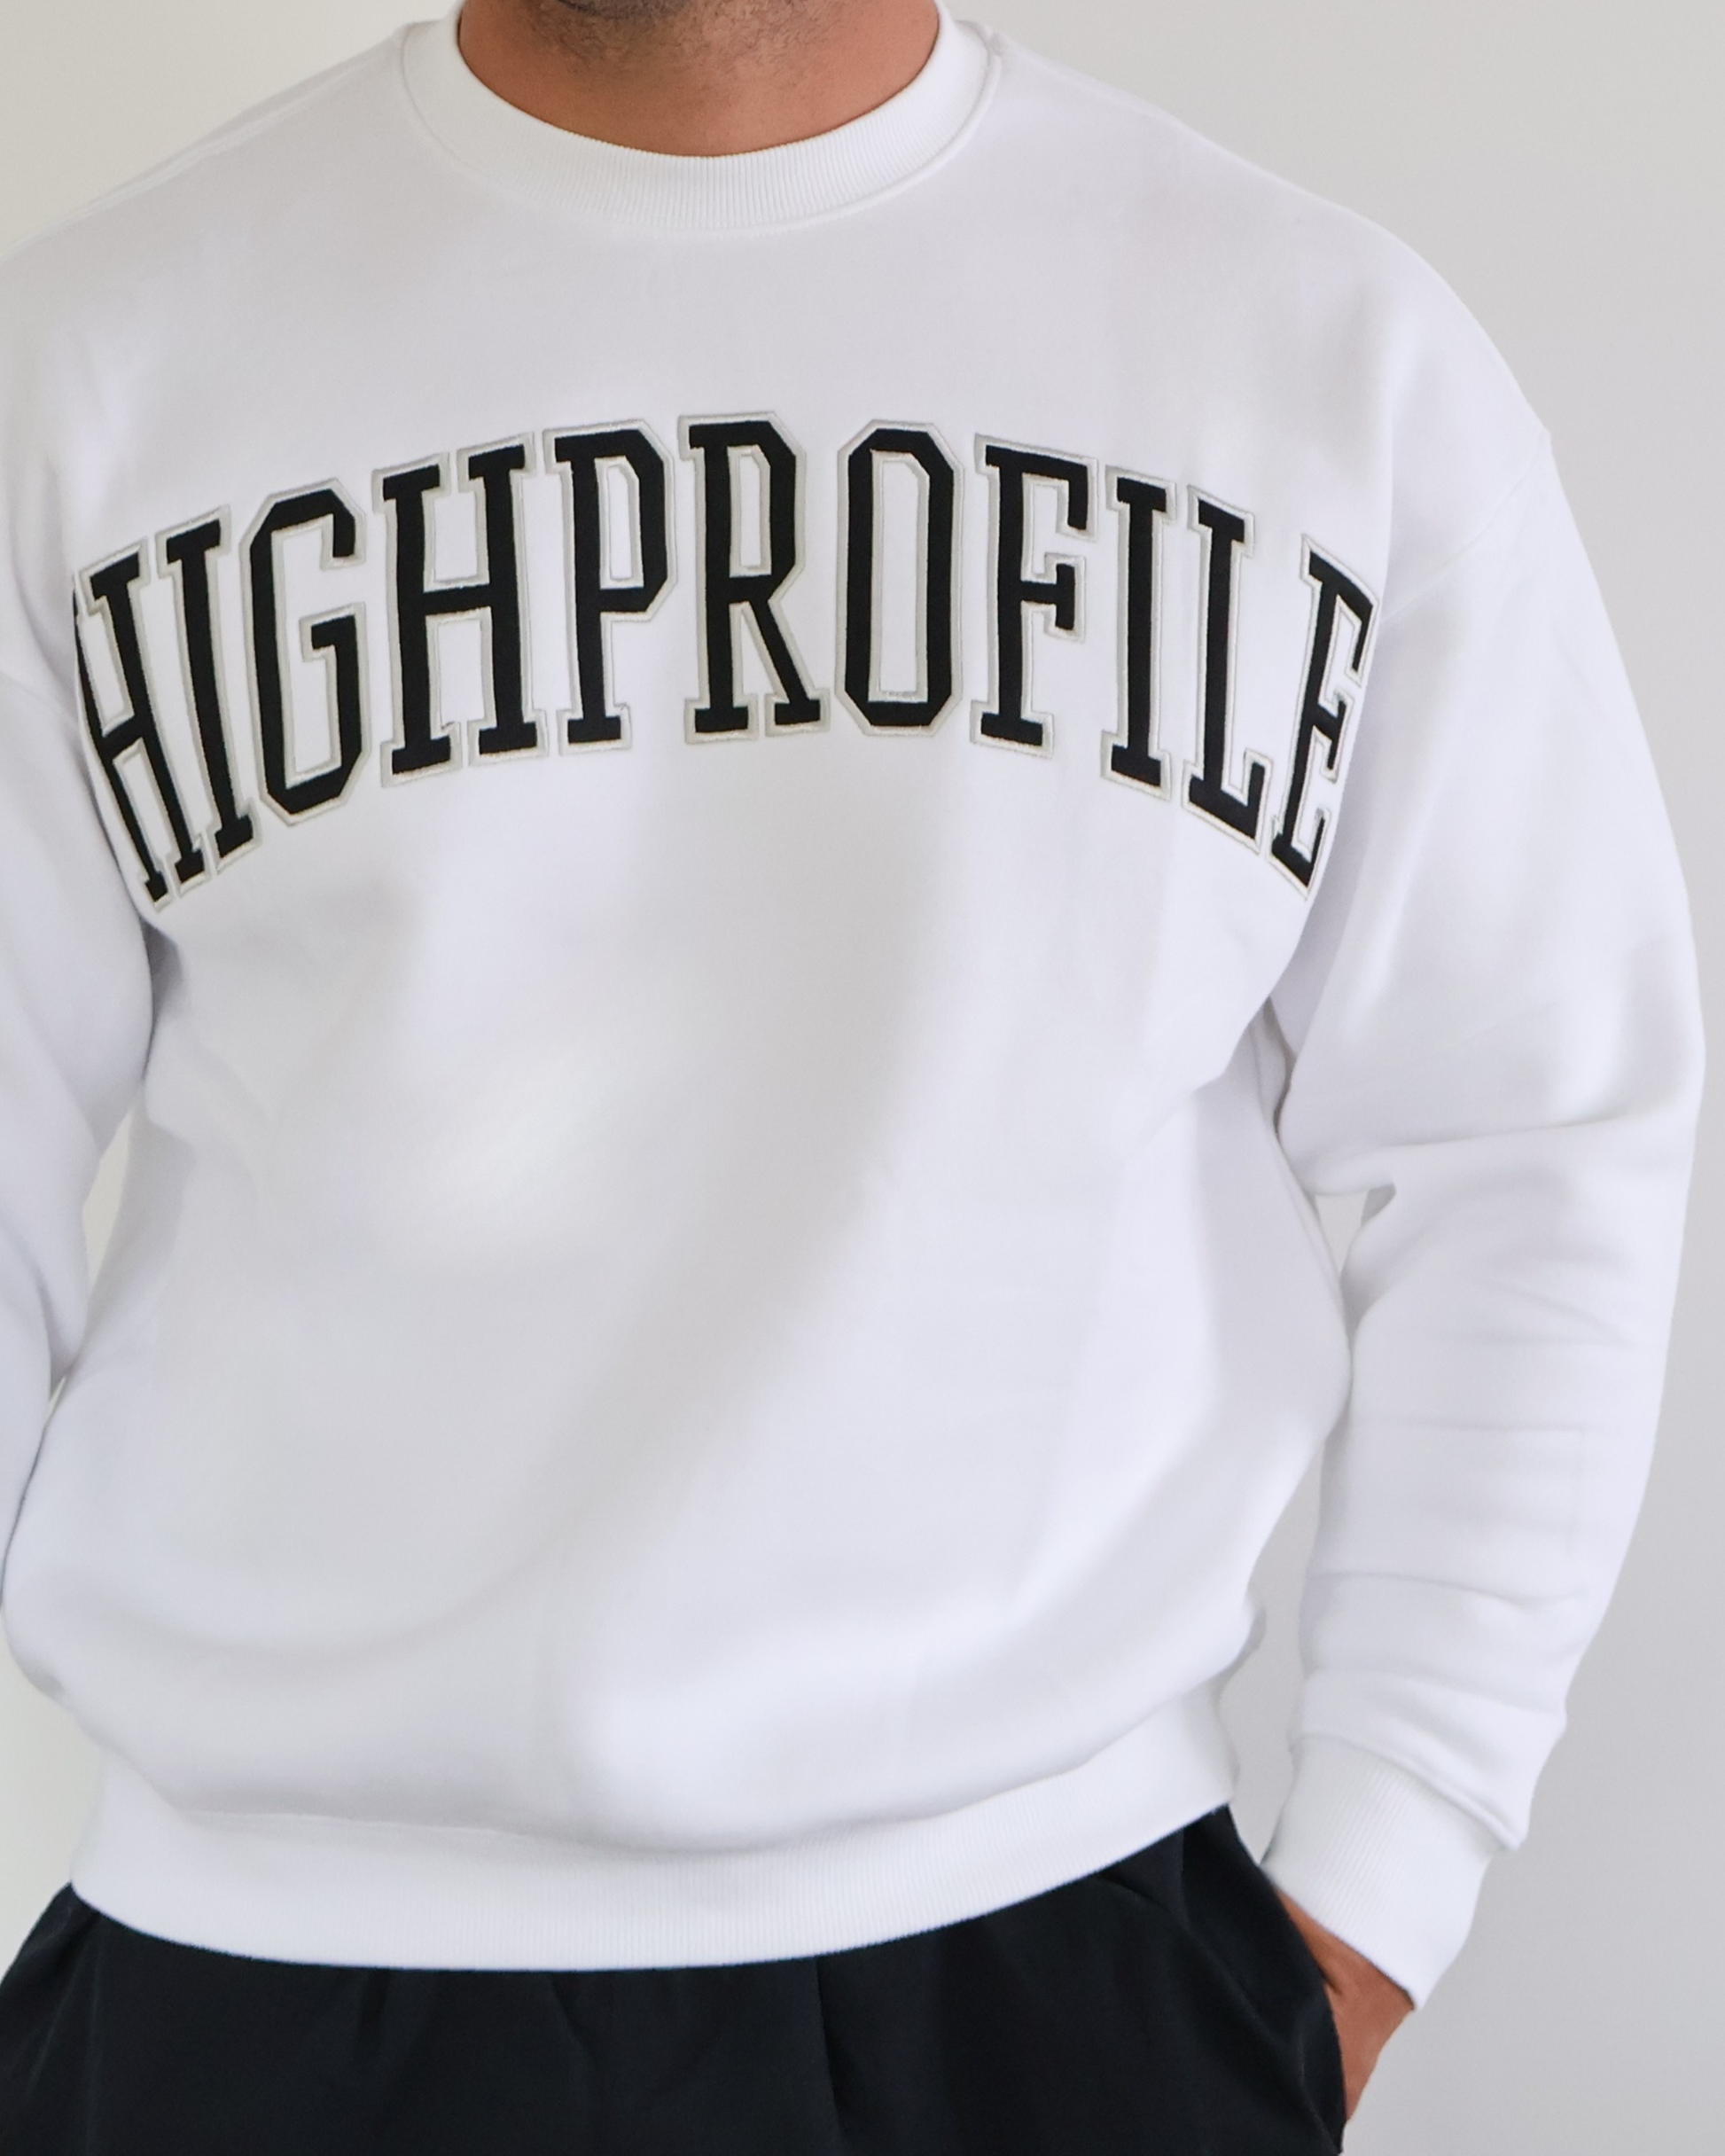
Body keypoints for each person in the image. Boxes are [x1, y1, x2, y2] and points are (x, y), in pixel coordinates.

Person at [0, 0, 1699, 2147]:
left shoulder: (1320, 357)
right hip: (249, 1976)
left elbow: (1527, 1131)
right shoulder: (89, 366)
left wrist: (1375, 1887)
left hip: (1054, 1961)